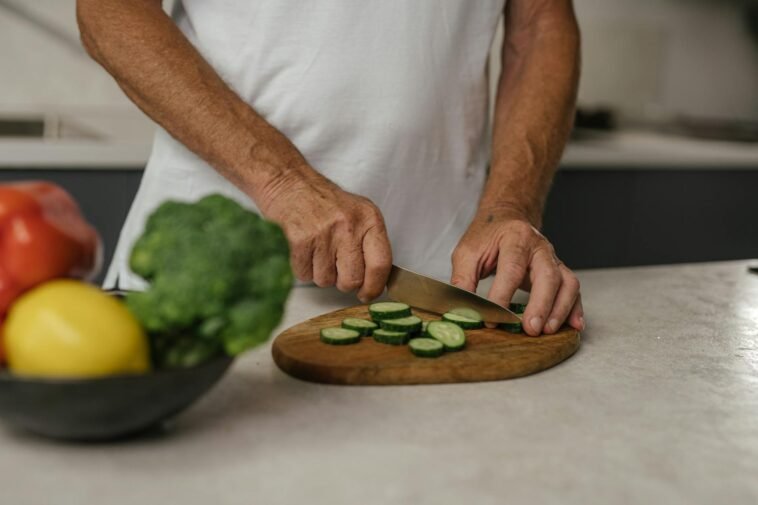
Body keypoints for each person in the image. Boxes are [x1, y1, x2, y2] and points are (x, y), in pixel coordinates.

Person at [78, 0, 584, 336]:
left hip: (445, 288)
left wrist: (510, 207)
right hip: (205, 279)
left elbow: (542, 22)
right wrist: (281, 183)